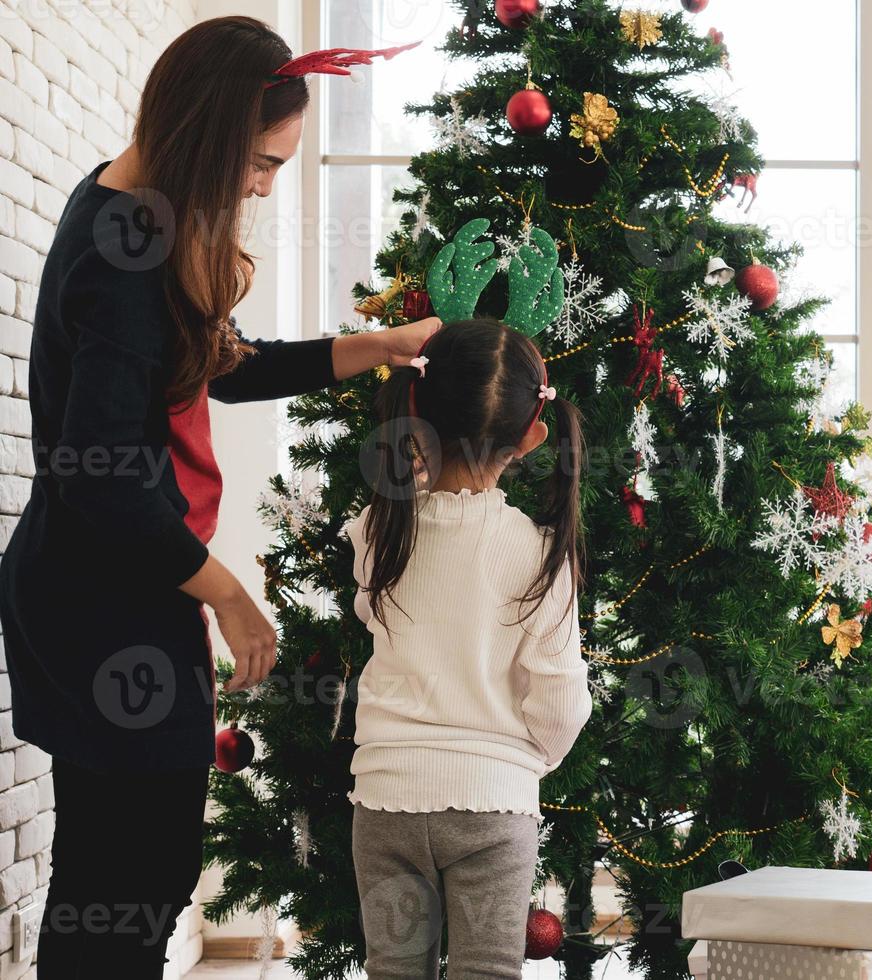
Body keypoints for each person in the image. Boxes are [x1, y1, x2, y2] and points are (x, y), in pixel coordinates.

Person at [0, 17, 432, 978]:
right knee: (128, 881)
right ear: (205, 131)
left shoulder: (141, 215)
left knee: (129, 876)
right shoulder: (125, 258)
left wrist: (366, 349)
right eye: (261, 161)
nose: (264, 184)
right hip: (98, 599)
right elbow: (95, 475)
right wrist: (228, 594)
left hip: (116, 588)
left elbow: (220, 365)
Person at [345, 319, 593, 980]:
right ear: (532, 436)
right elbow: (563, 700)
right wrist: (528, 763)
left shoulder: (376, 527)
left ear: (416, 413)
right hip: (494, 800)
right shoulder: (540, 552)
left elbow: (374, 614)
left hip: (386, 793)